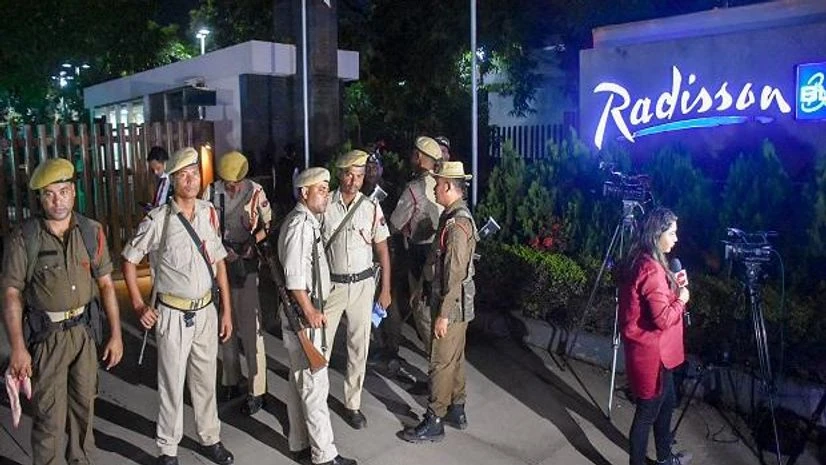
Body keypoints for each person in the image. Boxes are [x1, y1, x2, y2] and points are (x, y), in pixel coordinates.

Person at [2, 158, 124, 464]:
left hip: (84, 336)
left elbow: (107, 285)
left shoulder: (91, 231)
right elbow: (12, 293)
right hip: (47, 340)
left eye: (63, 191)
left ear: (73, 192)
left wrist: (116, 335)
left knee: (84, 411)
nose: (57, 200)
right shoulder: (24, 238)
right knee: (48, 418)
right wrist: (17, 347)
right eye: (49, 194)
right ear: (41, 198)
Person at [122, 147, 235, 465]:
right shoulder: (158, 220)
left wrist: (226, 310)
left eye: (195, 173)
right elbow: (129, 261)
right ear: (172, 180)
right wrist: (139, 305)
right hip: (172, 314)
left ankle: (209, 437)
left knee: (205, 380)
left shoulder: (208, 212)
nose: (190, 179)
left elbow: (220, 263)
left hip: (206, 312)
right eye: (183, 175)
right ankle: (167, 449)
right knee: (171, 382)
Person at [278, 167, 357, 465]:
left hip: (300, 316)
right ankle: (325, 456)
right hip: (304, 316)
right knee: (314, 386)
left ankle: (298, 442)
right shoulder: (300, 225)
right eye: (320, 189)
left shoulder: (307, 221)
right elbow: (295, 278)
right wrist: (311, 310)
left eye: (326, 188)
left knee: (299, 380)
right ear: (304, 193)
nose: (326, 194)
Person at [401, 161, 477, 443]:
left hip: (451, 305)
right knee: (454, 359)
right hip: (456, 304)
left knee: (440, 362)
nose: (434, 187)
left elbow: (454, 274)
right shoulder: (452, 217)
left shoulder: (457, 224)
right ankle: (457, 408)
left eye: (437, 183)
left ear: (447, 186)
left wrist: (443, 314)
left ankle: (434, 419)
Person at [322, 150, 392, 429]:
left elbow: (383, 249)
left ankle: (353, 404)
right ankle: (316, 399)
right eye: (349, 174)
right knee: (321, 346)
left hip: (363, 285)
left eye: (360, 175)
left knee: (358, 347)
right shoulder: (325, 203)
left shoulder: (372, 207)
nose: (354, 181)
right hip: (333, 286)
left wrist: (385, 289)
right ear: (340, 174)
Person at [618, 207, 692, 465]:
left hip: (658, 353)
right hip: (653, 355)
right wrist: (682, 300)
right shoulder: (650, 269)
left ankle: (664, 458)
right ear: (657, 233)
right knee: (646, 414)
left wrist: (674, 287)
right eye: (671, 233)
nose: (676, 239)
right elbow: (662, 318)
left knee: (668, 402)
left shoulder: (644, 258)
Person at [204, 150, 273, 415]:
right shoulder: (210, 193)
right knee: (226, 327)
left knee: (251, 330)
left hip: (246, 264)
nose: (233, 188)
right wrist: (219, 251)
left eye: (237, 183)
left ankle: (257, 389)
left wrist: (249, 245)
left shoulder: (255, 192)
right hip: (220, 264)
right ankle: (230, 380)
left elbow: (268, 225)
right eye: (228, 183)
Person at [388, 136, 443, 353]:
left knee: (422, 311)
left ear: (419, 157)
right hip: (441, 252)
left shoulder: (414, 188)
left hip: (420, 254)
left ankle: (435, 371)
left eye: (413, 154)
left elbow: (394, 224)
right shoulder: (442, 183)